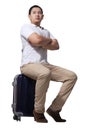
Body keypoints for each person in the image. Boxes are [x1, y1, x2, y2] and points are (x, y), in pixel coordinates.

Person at [20, 5, 77, 123]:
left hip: (45, 64)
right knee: (45, 73)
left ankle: (54, 109)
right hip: (28, 65)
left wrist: (41, 41)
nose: (37, 14)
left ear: (43, 16)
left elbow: (56, 46)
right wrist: (47, 41)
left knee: (71, 76)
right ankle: (38, 111)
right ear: (29, 16)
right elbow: (36, 41)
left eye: (39, 12)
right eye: (34, 12)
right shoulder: (26, 27)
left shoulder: (46, 31)